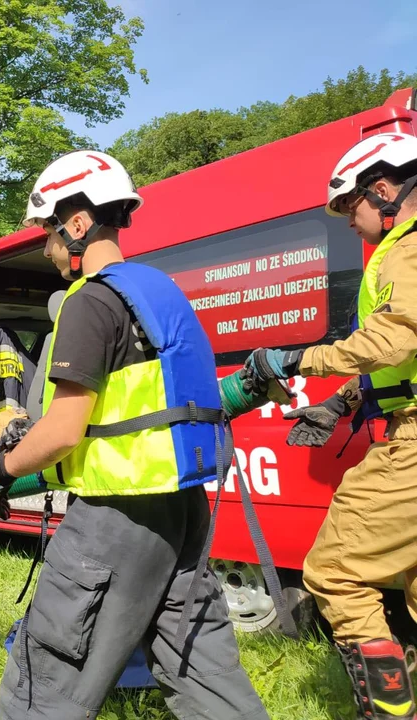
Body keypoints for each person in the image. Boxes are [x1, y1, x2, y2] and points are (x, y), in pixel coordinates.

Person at [0, 150, 267, 719]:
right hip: (184, 510)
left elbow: (64, 430)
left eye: (48, 229)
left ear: (78, 224)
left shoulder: (90, 301)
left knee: (47, 677)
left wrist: (3, 468)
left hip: (114, 520)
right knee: (203, 672)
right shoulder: (158, 292)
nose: (45, 246)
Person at [249, 133, 417, 720]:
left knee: (335, 572)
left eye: (352, 208)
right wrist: (343, 402)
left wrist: (297, 359)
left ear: (385, 188)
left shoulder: (408, 247)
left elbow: (395, 337)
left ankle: (391, 713)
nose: (351, 222)